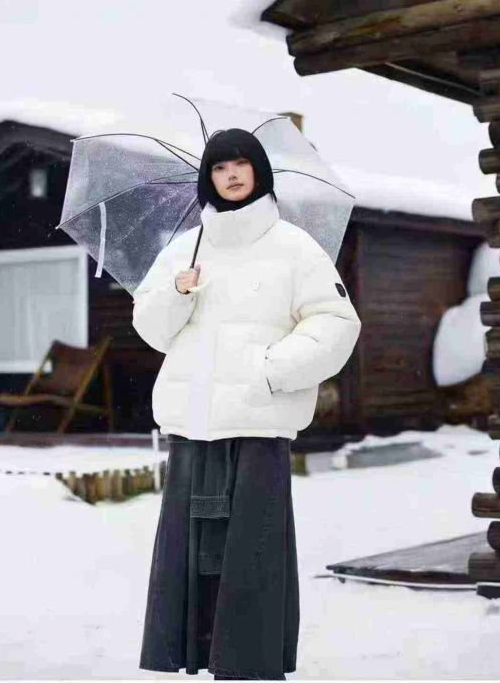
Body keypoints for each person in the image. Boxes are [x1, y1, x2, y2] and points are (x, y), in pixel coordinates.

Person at [133, 128, 361, 680]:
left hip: (257, 423)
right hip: (193, 422)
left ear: (259, 171)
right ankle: (193, 654)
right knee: (188, 555)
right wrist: (176, 292)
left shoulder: (294, 246)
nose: (230, 175)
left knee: (252, 552)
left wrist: (270, 371)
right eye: (218, 167)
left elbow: (337, 323)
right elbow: (151, 328)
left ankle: (250, 663)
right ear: (206, 178)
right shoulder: (186, 247)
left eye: (240, 164)